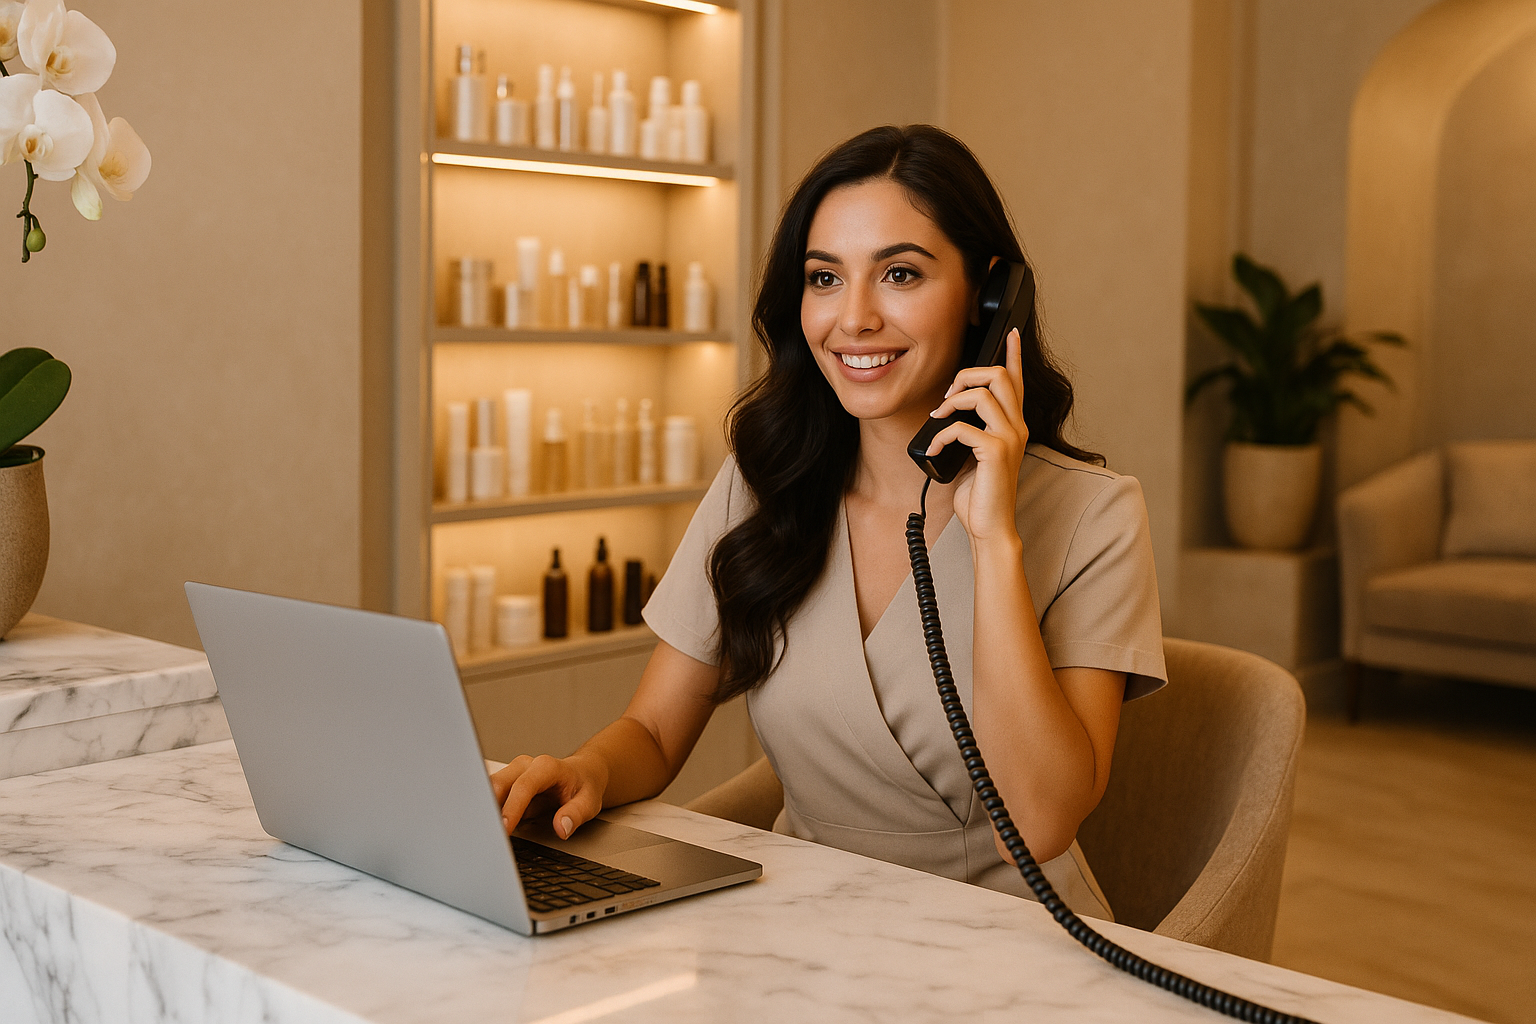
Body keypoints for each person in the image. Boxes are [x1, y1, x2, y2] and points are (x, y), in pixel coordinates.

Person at [492, 125, 1165, 919]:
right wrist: (589, 770)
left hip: (1009, 945)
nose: (854, 319)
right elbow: (654, 729)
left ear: (989, 298)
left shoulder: (1095, 515)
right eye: (824, 279)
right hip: (806, 931)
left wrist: (993, 541)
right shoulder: (764, 481)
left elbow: (1043, 819)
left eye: (901, 274)